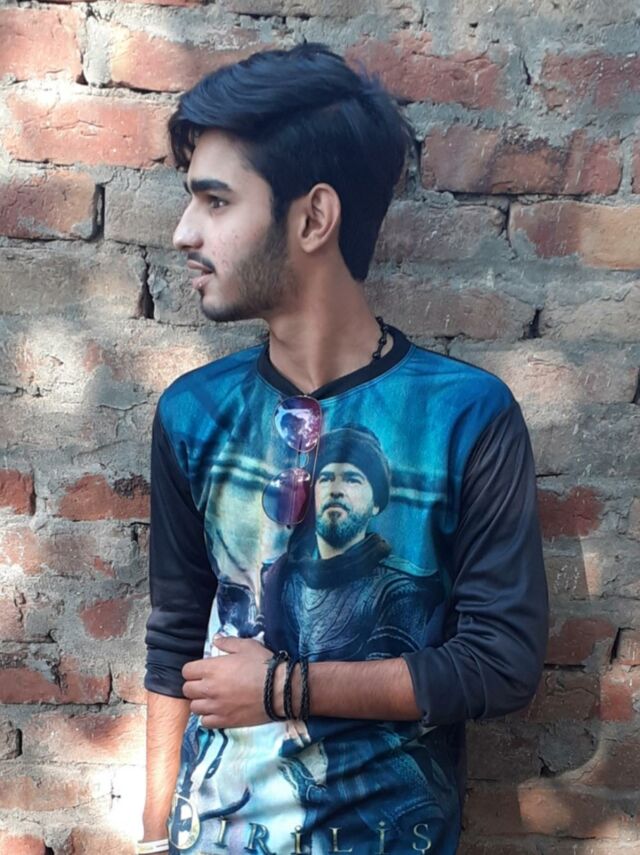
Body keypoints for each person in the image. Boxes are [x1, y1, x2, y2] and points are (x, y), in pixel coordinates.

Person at [141, 41, 549, 855]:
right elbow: (175, 638)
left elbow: (501, 663)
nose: (184, 233)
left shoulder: (465, 416)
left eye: (216, 201)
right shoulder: (194, 412)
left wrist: (285, 688)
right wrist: (155, 838)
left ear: (313, 217)